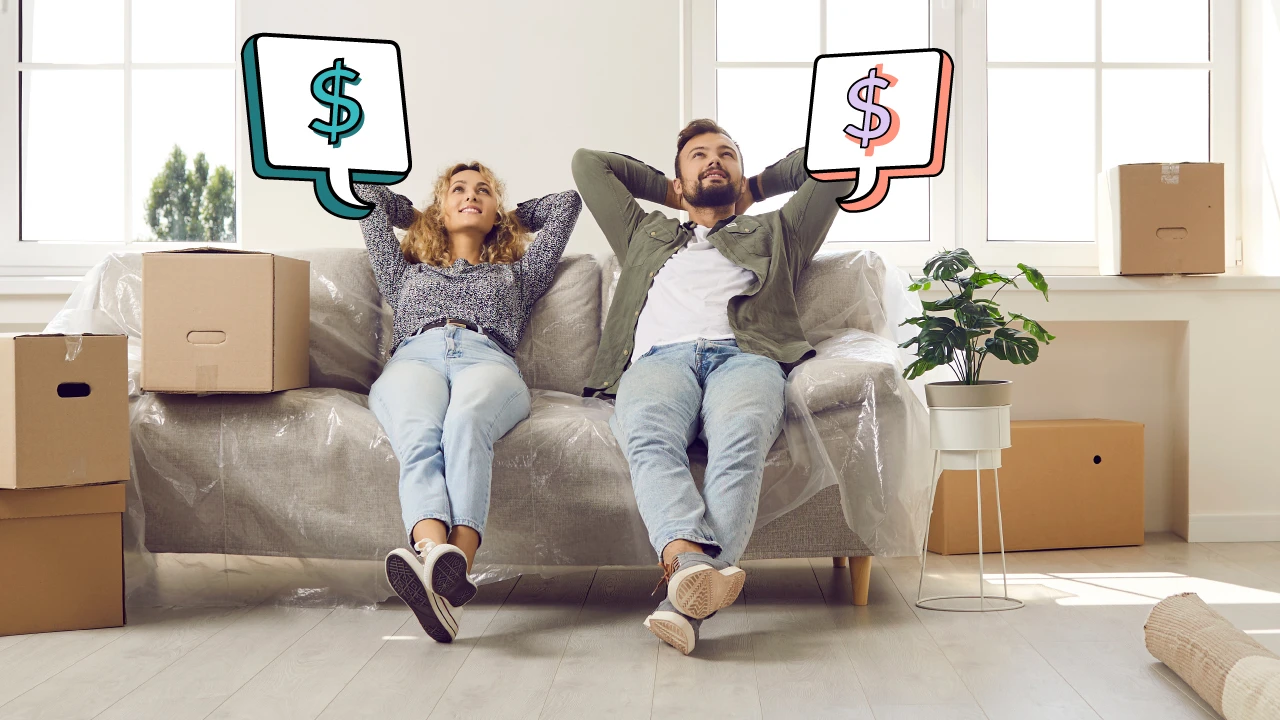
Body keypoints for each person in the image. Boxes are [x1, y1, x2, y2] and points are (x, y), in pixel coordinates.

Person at [571, 119, 853, 655]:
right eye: (698, 156)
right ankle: (693, 574)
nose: (713, 160)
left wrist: (761, 186)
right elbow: (589, 163)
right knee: (649, 439)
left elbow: (834, 164)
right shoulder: (644, 232)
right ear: (678, 180)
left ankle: (683, 600)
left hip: (746, 358)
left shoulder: (779, 231)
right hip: (659, 362)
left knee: (740, 442)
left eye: (727, 154)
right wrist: (673, 193)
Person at [356, 163, 581, 643]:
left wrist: (509, 215)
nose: (471, 195)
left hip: (487, 360)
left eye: (483, 191)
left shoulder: (520, 274)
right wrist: (421, 215)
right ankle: (436, 561)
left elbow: (567, 203)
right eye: (457, 190)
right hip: (415, 359)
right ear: (441, 206)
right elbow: (364, 193)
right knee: (418, 432)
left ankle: (452, 565)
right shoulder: (403, 271)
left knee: (465, 421)